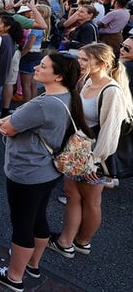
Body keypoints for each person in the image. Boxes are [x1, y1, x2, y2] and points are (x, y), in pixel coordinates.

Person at [0, 53, 84, 292]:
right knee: (37, 218)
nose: (36, 67)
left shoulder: (44, 104)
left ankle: (13, 277)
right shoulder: (67, 97)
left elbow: (9, 127)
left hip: (28, 171)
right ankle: (32, 265)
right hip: (49, 170)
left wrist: (5, 124)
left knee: (22, 225)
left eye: (44, 66)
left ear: (58, 76)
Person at [47, 43, 132, 259]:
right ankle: (66, 241)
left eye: (85, 59)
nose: (80, 62)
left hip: (95, 157)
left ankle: (82, 241)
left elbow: (110, 132)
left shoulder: (111, 91)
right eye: (80, 58)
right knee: (72, 194)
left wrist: (94, 162)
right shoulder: (86, 81)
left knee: (92, 201)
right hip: (79, 150)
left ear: (101, 63)